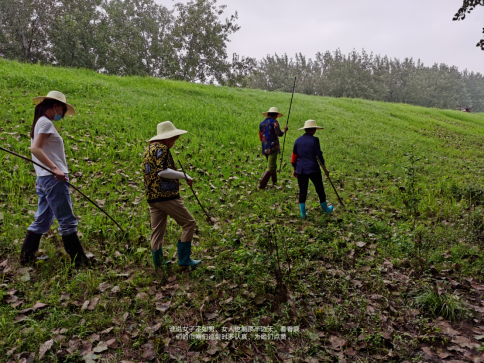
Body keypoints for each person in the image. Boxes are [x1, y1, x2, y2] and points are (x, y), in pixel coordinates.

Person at [20, 91, 90, 267]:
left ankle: (26, 257)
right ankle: (80, 262)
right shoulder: (46, 123)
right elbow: (35, 149)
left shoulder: (40, 123)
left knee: (42, 220)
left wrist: (41, 175)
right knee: (67, 220)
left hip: (46, 179)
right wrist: (54, 169)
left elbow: (42, 151)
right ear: (57, 106)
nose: (62, 115)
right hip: (54, 178)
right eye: (63, 111)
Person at [143, 121, 201, 269]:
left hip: (152, 197)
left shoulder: (149, 148)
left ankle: (159, 263)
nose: (175, 141)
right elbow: (162, 171)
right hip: (166, 196)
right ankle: (184, 260)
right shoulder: (162, 148)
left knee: (157, 230)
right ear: (167, 137)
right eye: (174, 138)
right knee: (189, 223)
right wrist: (184, 175)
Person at [291, 119, 334, 218]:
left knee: (302, 191)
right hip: (313, 169)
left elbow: (294, 156)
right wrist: (325, 169)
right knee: (319, 188)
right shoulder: (315, 140)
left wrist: (294, 169)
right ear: (314, 129)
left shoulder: (298, 140)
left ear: (305, 129)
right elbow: (319, 156)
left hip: (300, 169)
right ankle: (325, 209)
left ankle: (302, 214)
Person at [258, 107, 288, 189]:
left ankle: (274, 182)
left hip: (265, 147)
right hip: (273, 147)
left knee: (273, 165)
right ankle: (261, 186)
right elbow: (279, 134)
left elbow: (260, 136)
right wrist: (284, 130)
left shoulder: (262, 123)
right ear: (275, 115)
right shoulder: (275, 122)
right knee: (270, 166)